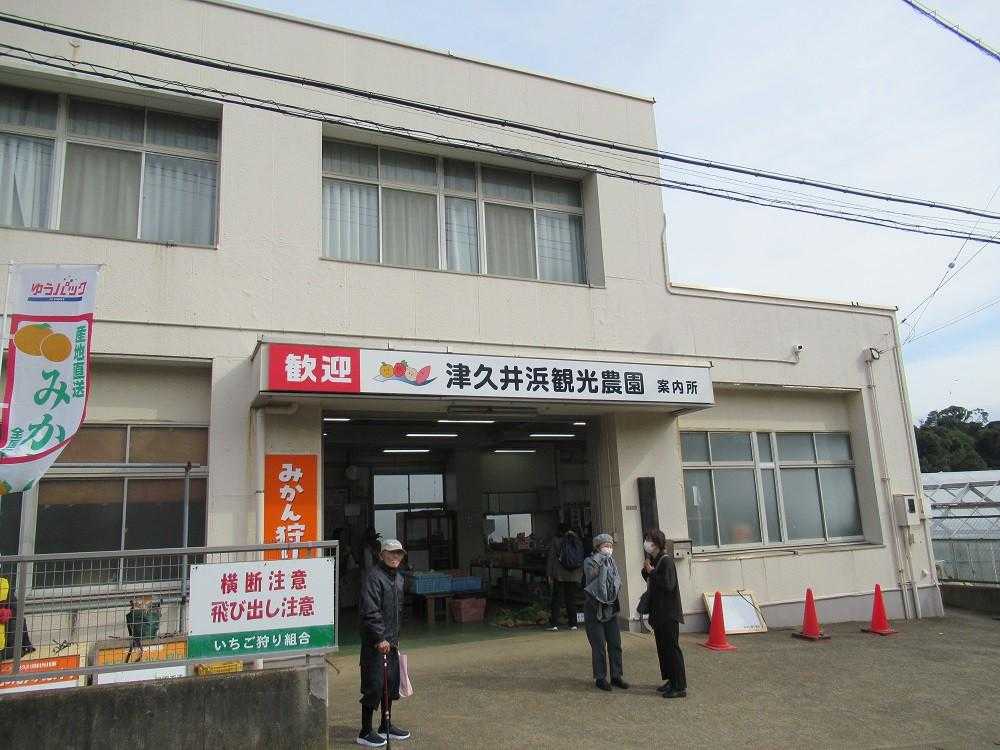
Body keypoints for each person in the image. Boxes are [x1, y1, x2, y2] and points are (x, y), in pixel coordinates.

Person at [357, 539, 411, 747]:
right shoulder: (373, 577)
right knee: (374, 686)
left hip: (392, 642)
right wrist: (379, 638)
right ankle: (365, 731)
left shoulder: (399, 578)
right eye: (391, 552)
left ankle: (385, 726)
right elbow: (370, 611)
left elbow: (397, 611)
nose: (395, 556)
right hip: (375, 644)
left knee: (390, 685)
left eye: (399, 553)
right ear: (381, 555)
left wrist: (394, 637)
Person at [641, 529, 687, 699]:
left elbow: (668, 584)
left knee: (671, 649)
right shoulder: (655, 560)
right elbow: (651, 579)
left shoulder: (666, 561)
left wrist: (652, 572)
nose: (647, 543)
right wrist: (647, 570)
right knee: (663, 649)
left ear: (657, 543)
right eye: (646, 539)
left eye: (649, 540)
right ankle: (671, 680)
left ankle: (679, 685)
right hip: (659, 613)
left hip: (669, 613)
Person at [582, 533, 629, 692]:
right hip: (594, 608)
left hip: (610, 608)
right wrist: (602, 566)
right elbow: (592, 578)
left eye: (610, 546)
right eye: (605, 546)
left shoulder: (611, 561)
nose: (609, 548)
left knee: (615, 643)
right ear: (598, 547)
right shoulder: (589, 561)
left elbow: (616, 581)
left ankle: (616, 676)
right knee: (599, 645)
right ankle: (600, 677)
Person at [546, 523, 584, 631]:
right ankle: (573, 624)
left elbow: (551, 558)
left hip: (559, 575)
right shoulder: (577, 539)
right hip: (573, 575)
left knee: (557, 599)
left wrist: (549, 574)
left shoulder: (556, 540)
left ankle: (554, 624)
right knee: (571, 598)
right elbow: (580, 556)